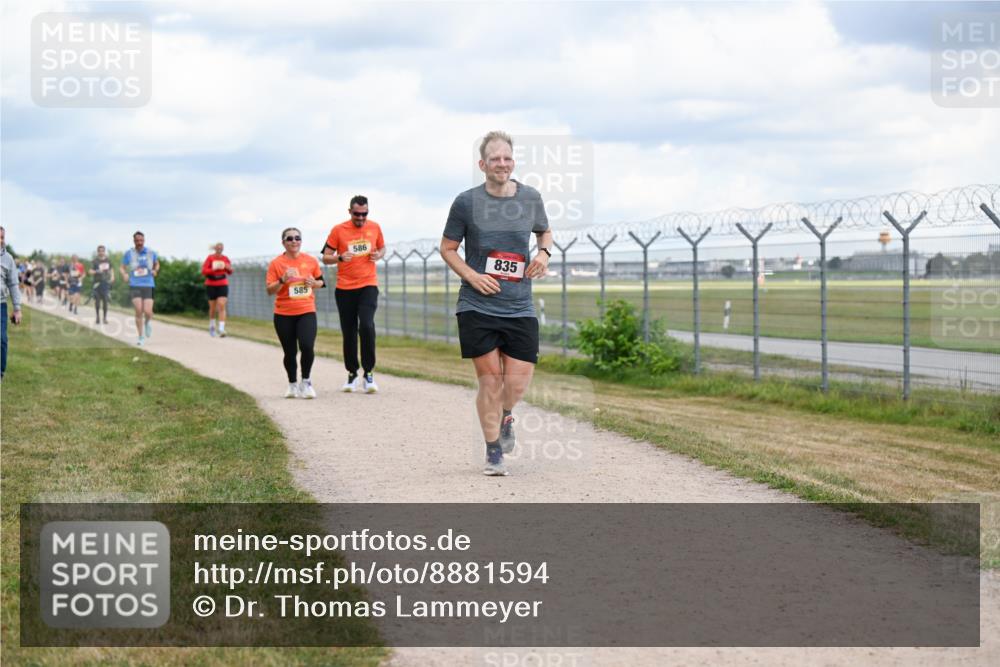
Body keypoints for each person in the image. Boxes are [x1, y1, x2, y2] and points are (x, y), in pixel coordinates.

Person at [440, 131, 552, 476]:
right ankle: (493, 452)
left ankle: (506, 416)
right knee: (490, 381)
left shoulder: (530, 197)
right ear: (482, 164)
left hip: (519, 305)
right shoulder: (466, 203)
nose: (501, 164)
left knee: (516, 384)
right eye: (495, 159)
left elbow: (544, 231)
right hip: (477, 305)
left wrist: (544, 253)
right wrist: (472, 277)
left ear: (512, 162)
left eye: (507, 158)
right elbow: (447, 248)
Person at [322, 195, 386, 393]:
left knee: (366, 325)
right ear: (349, 212)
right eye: (357, 214)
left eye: (364, 214)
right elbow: (325, 257)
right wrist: (339, 257)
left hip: (368, 284)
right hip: (344, 288)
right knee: (349, 331)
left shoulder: (374, 227)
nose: (361, 217)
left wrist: (379, 254)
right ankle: (351, 374)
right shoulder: (338, 230)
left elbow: (382, 248)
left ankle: (368, 374)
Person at [266, 228, 325, 399]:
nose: (294, 241)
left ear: (301, 240)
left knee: (307, 346)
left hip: (306, 310)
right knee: (290, 352)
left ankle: (306, 382)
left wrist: (314, 282)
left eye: (297, 238)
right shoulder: (276, 263)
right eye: (289, 238)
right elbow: (270, 290)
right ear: (283, 242)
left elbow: (322, 282)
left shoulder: (311, 261)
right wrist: (282, 280)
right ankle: (292, 384)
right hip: (283, 313)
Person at [120, 231, 159, 346]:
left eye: (141, 240)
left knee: (147, 311)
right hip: (135, 284)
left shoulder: (150, 252)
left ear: (144, 240)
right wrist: (124, 274)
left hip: (148, 284)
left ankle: (147, 322)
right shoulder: (129, 253)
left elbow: (157, 264)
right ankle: (141, 337)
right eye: (137, 241)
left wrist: (155, 270)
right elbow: (122, 267)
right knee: (138, 310)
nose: (139, 243)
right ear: (134, 241)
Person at [1, 227, 24, 380]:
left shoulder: (8, 259)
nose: (0, 241)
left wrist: (17, 308)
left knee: (1, 339)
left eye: (2, 237)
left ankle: (0, 371)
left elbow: (14, 284)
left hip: (0, 304)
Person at [201, 242, 233, 337]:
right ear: (215, 248)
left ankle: (221, 329)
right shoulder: (210, 258)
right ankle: (212, 326)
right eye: (218, 247)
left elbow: (230, 271)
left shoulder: (225, 258)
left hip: (222, 283)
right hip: (211, 284)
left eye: (221, 248)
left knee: (222, 304)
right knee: (213, 308)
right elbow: (204, 271)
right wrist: (214, 269)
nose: (219, 249)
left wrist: (228, 268)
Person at [89, 245, 115, 324]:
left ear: (104, 251)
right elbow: (90, 271)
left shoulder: (108, 260)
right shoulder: (95, 261)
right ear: (98, 252)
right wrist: (96, 271)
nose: (101, 252)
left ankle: (104, 318)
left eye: (102, 251)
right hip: (97, 283)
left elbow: (111, 269)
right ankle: (97, 317)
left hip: (106, 283)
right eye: (99, 251)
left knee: (105, 301)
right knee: (97, 301)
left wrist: (113, 276)